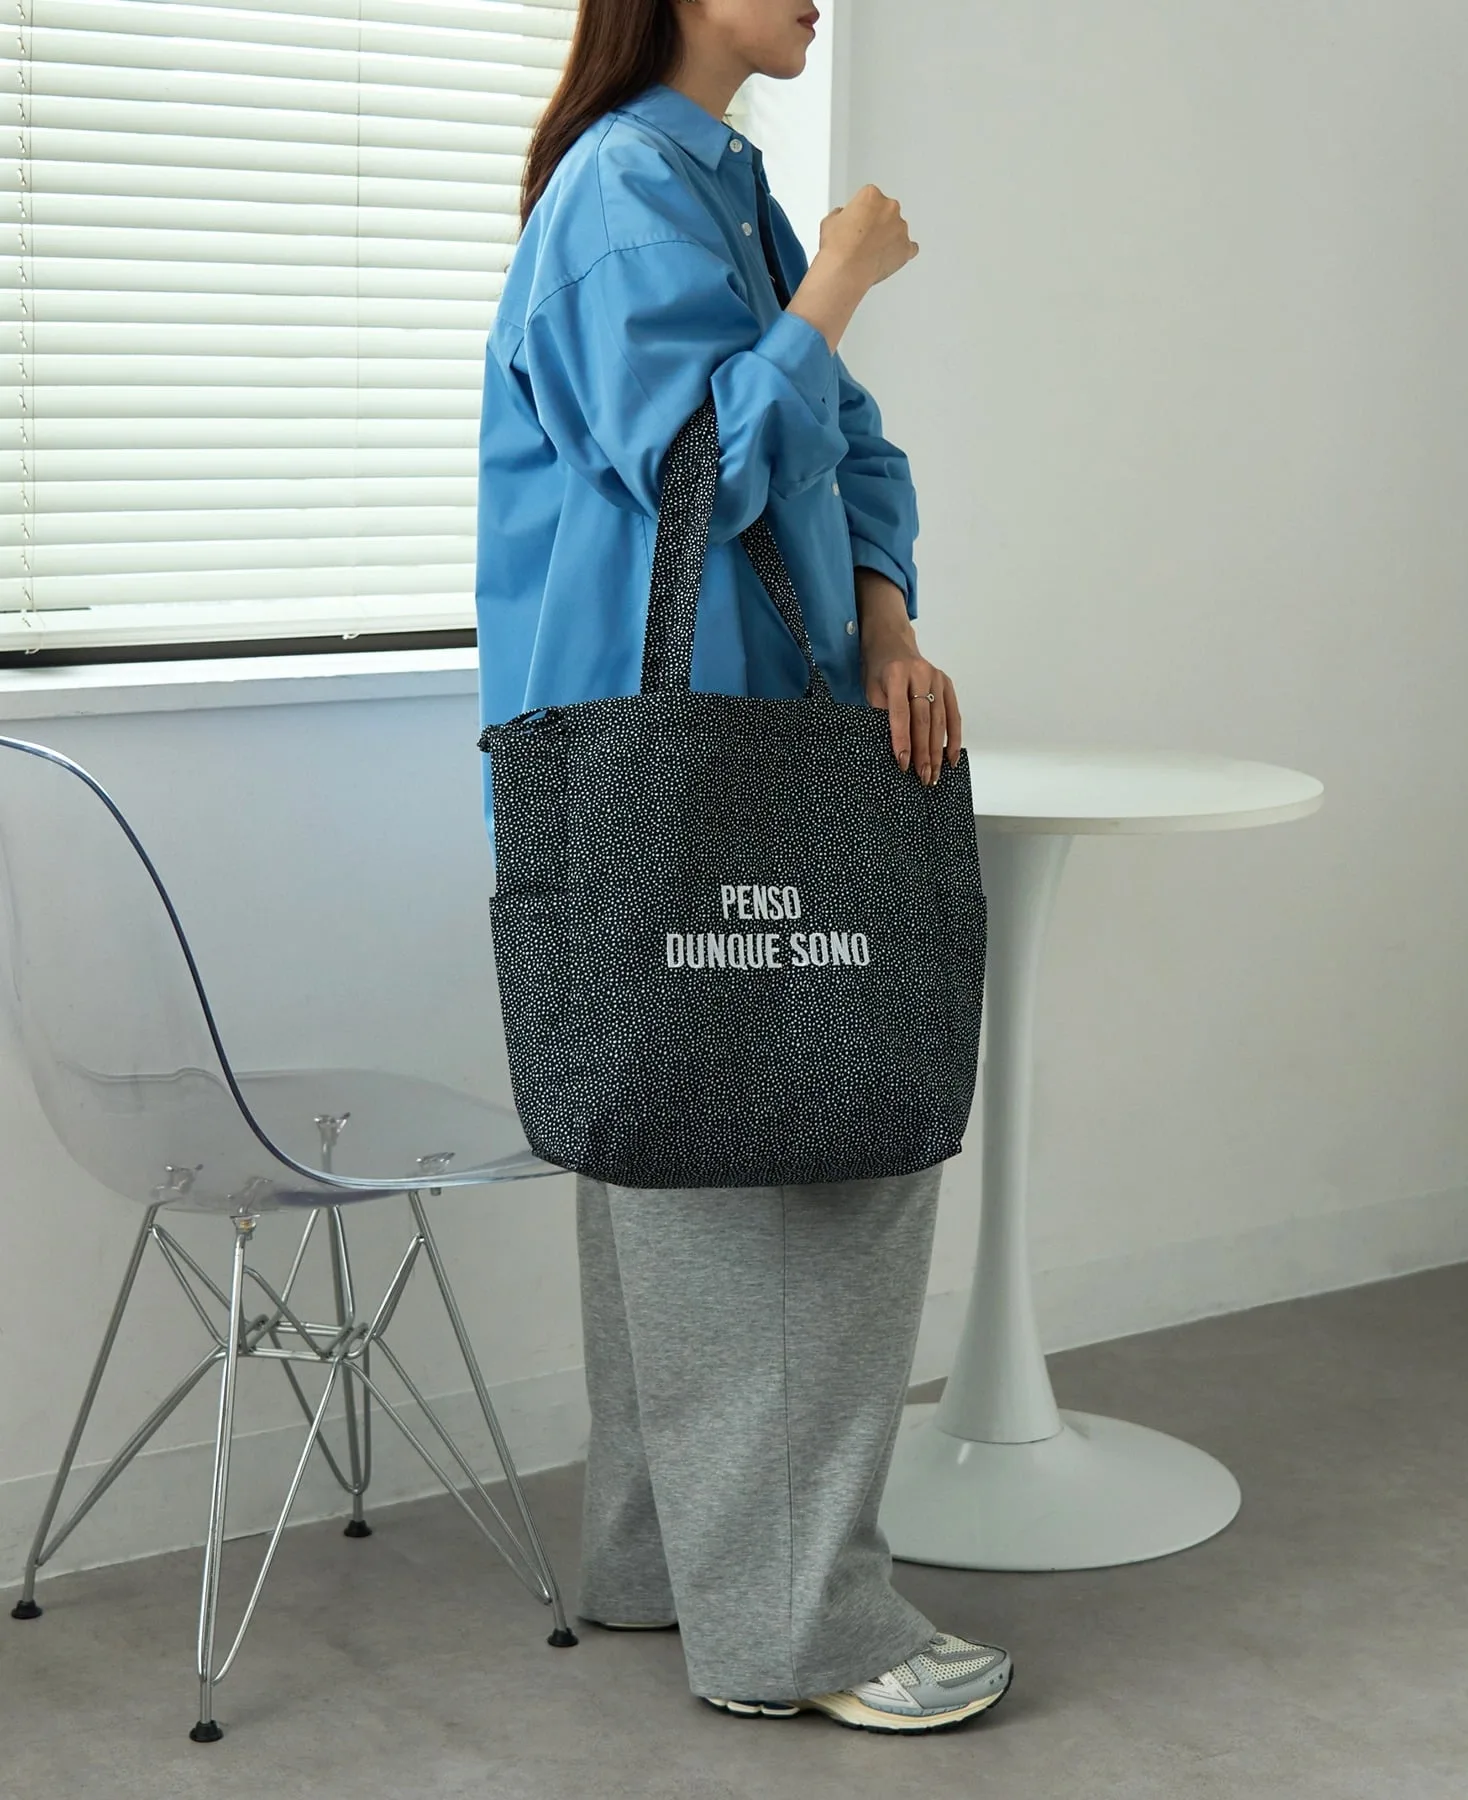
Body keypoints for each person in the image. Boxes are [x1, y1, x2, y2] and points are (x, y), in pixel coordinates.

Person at [474, 0, 1014, 1735]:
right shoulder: (630, 189)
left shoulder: (713, 183)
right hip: (696, 759)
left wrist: (886, 620)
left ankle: (661, 1564)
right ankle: (802, 1630)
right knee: (808, 1163)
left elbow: (851, 450)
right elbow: (694, 465)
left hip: (709, 757)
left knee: (678, 1145)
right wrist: (841, 278)